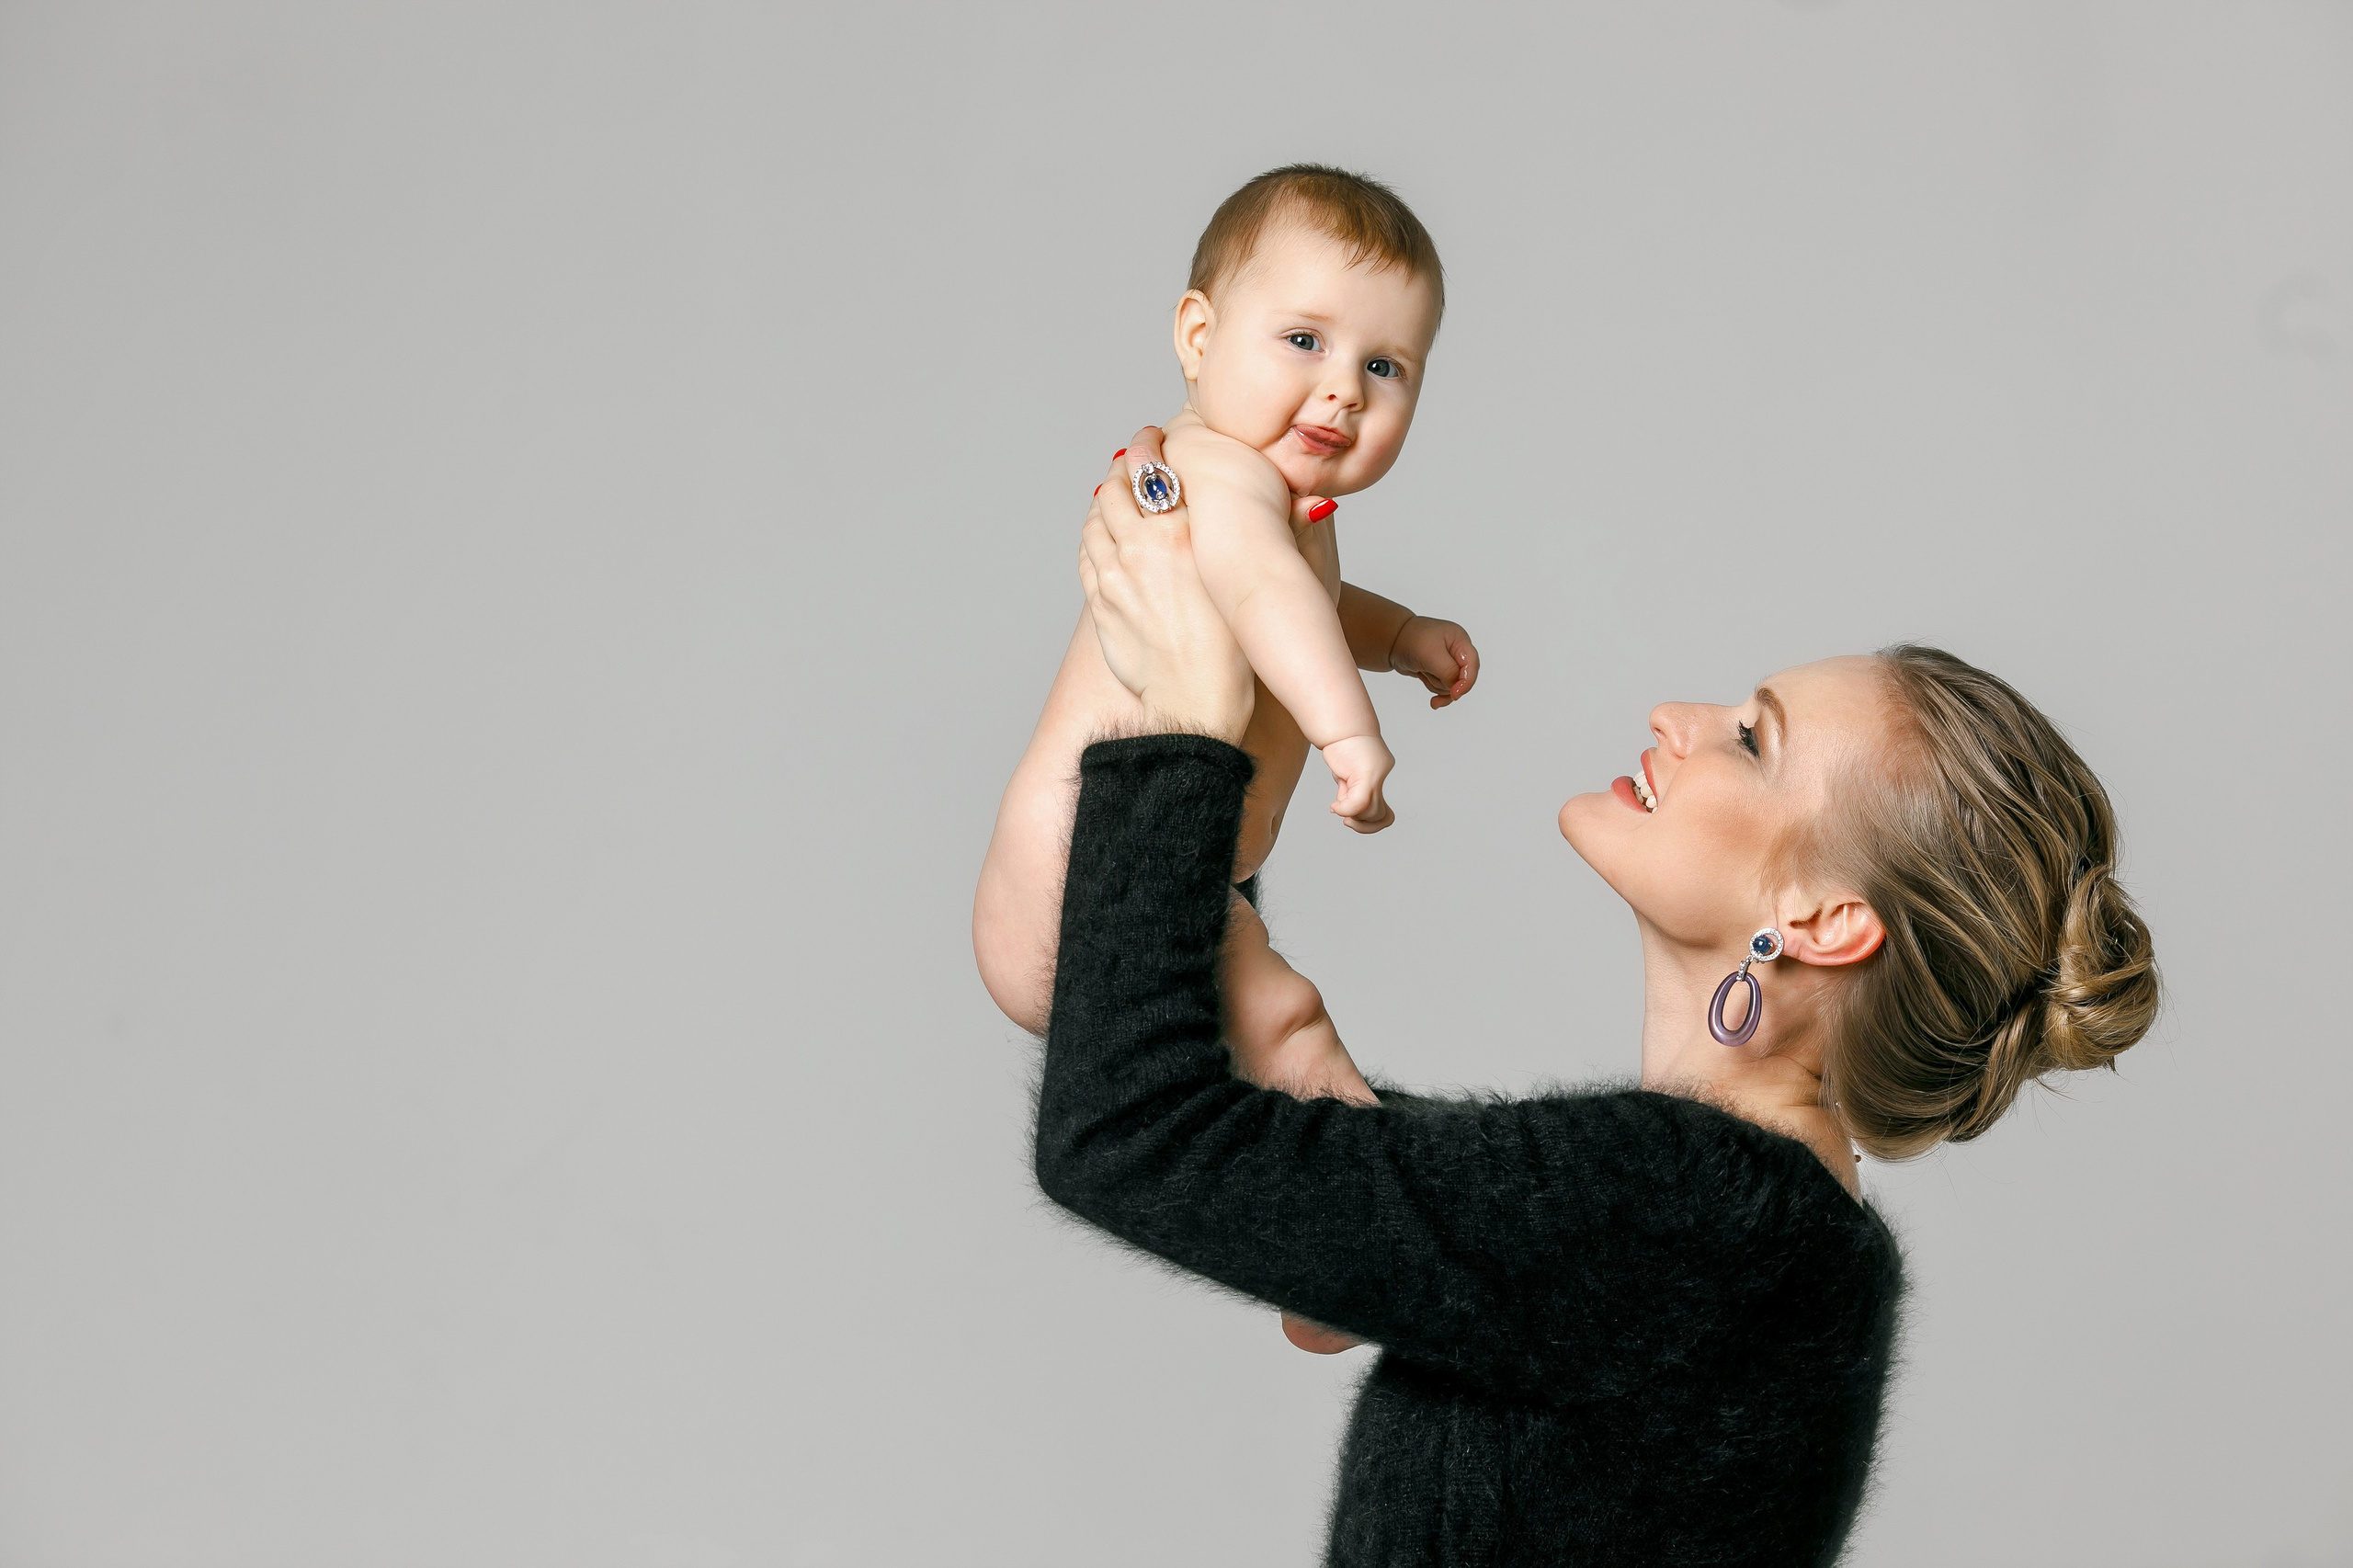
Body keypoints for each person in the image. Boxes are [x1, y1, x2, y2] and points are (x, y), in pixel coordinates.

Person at [1033, 429, 2161, 1566]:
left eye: (1750, 738)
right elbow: (1214, 1099)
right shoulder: (1739, 1229)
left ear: (1825, 919)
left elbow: (1127, 1133)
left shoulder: (1682, 1213)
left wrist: (1185, 722)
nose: (1678, 715)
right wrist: (1246, 706)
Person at [974, 165, 1480, 1107]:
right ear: (1199, 337)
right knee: (1285, 1021)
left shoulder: (1267, 498)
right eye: (1303, 340)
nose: (1342, 391)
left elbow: (1300, 598)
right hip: (1081, 865)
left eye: (1384, 365)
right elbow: (1265, 594)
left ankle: (1347, 1153)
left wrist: (1399, 631)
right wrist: (1348, 730)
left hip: (1151, 868)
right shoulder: (1216, 469)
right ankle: (1366, 1155)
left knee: (1260, 1039)